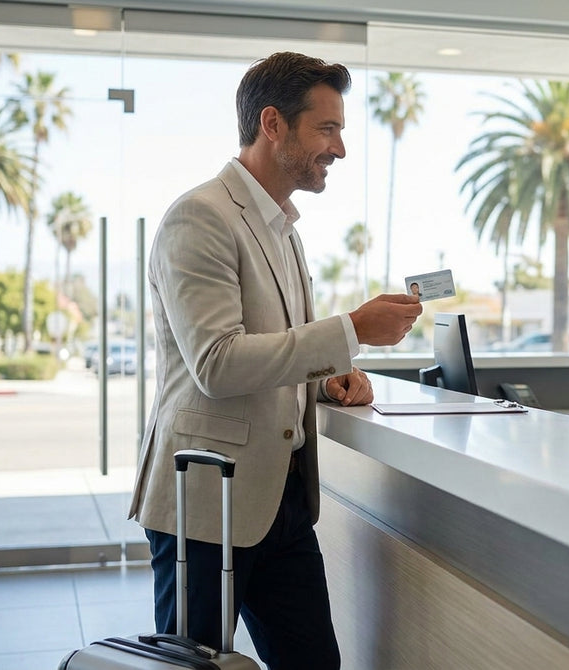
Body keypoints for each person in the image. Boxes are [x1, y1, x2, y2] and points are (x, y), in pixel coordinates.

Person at [128, 51, 422, 668]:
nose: (339, 149)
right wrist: (350, 331)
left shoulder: (283, 228)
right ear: (273, 125)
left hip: (281, 500)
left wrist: (327, 379)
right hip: (205, 499)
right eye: (327, 128)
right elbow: (218, 363)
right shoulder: (199, 217)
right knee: (198, 665)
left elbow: (272, 352)